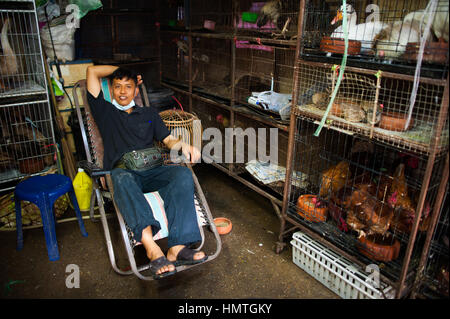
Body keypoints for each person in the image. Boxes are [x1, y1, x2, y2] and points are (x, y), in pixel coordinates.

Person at [86, 65, 206, 279]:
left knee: (182, 174)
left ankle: (176, 247)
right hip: (125, 173)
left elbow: (168, 139)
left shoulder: (149, 114)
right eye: (118, 86)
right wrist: (125, 71)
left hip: (152, 169)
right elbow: (91, 71)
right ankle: (152, 247)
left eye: (128, 86)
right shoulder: (105, 112)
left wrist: (184, 146)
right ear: (111, 91)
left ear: (135, 91)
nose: (123, 91)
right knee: (118, 176)